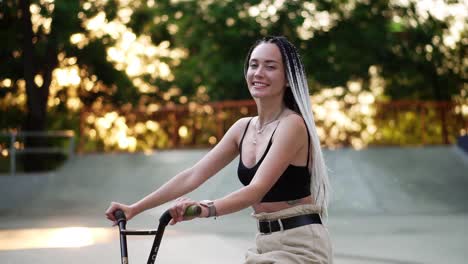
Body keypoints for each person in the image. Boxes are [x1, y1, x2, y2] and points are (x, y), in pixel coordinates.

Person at [105, 36, 333, 263]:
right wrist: (134, 209)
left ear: (287, 79)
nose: (258, 73)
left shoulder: (292, 125)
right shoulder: (242, 128)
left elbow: (256, 190)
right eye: (254, 65)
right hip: (265, 243)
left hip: (301, 245)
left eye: (270, 67)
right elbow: (192, 176)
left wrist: (204, 208)